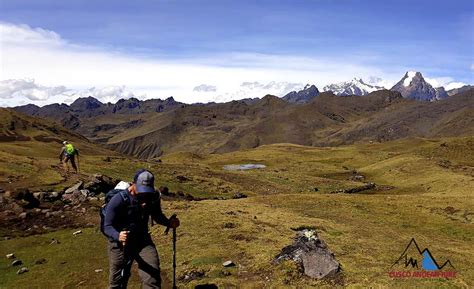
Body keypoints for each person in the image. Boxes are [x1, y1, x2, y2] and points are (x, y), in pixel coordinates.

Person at [103, 169, 180, 289]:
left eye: (147, 192)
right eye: (141, 191)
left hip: (142, 240)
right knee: (117, 281)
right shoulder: (119, 199)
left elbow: (157, 216)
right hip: (120, 243)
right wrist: (118, 235)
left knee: (152, 275)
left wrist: (169, 223)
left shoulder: (153, 197)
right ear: (133, 184)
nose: (144, 196)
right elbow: (107, 226)